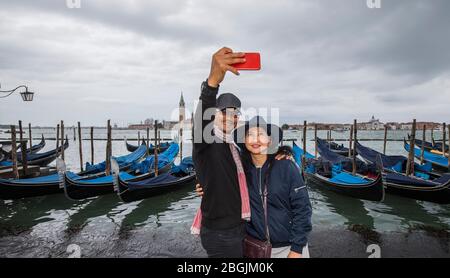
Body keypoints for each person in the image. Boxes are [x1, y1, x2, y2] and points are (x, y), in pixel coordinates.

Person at [191, 47, 290, 258]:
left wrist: (281, 152)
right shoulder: (206, 141)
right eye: (224, 112)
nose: (230, 117)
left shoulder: (234, 147)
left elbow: (258, 157)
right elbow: (201, 124)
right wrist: (211, 84)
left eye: (235, 114)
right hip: (220, 233)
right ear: (214, 115)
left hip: (240, 228)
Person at [233, 116, 312, 258]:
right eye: (250, 135)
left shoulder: (286, 166)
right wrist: (204, 190)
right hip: (255, 248)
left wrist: (296, 249)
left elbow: (303, 208)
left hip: (289, 248)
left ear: (269, 140)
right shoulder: (241, 171)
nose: (255, 140)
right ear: (244, 141)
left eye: (260, 134)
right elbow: (223, 189)